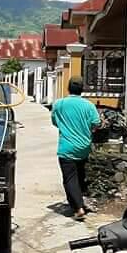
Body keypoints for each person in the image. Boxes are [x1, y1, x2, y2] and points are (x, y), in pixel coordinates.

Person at [51, 77, 102, 220]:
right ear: (82, 89)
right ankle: (81, 200)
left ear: (68, 88)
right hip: (84, 147)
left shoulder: (59, 104)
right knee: (80, 175)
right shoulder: (89, 105)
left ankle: (78, 208)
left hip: (66, 148)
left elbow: (55, 122)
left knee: (69, 179)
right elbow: (96, 123)